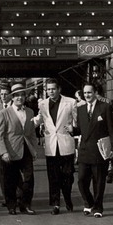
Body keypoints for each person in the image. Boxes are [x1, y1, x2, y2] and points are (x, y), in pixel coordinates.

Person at [75, 82, 113, 218]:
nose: (87, 95)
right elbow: (81, 129)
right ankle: (89, 202)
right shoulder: (80, 109)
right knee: (81, 180)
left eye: (89, 92)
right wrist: (72, 130)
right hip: (84, 150)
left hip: (99, 149)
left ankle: (98, 207)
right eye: (85, 93)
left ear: (95, 93)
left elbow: (112, 128)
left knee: (99, 182)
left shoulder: (105, 107)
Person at [34, 78, 77, 214]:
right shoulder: (43, 104)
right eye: (48, 89)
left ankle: (67, 198)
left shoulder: (70, 102)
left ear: (59, 89)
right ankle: (56, 204)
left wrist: (73, 128)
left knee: (68, 175)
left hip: (66, 142)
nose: (51, 91)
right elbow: (39, 119)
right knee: (53, 176)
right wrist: (25, 121)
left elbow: (76, 121)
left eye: (53, 89)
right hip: (51, 144)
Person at [0, 83, 38, 215]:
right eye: (16, 95)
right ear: (12, 98)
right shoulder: (4, 113)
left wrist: (34, 149)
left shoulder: (30, 112)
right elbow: (0, 135)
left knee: (29, 179)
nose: (19, 98)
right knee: (10, 180)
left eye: (22, 95)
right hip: (11, 151)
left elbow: (31, 133)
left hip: (26, 149)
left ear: (25, 97)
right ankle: (12, 206)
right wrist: (4, 152)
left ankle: (25, 205)